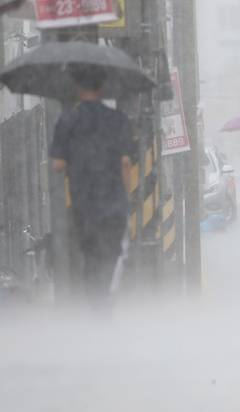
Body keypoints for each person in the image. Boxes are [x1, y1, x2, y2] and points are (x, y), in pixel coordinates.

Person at [50, 64, 134, 309]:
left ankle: (95, 302)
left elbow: (57, 164)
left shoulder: (68, 121)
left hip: (83, 202)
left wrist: (77, 157)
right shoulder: (117, 120)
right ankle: (104, 299)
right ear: (102, 87)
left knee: (90, 255)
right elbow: (126, 162)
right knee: (111, 254)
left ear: (77, 87)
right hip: (113, 202)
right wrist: (124, 197)